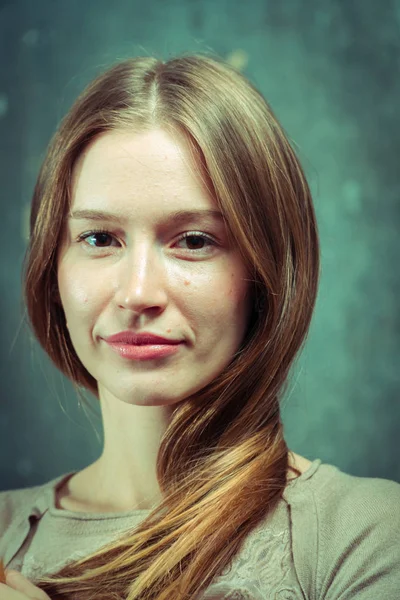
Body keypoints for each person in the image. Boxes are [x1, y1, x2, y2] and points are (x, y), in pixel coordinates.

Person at [0, 53, 399, 600]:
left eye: (193, 241)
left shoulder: (367, 536)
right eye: (99, 239)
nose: (138, 292)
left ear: (264, 271)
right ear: (52, 265)